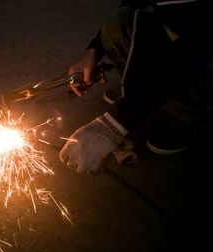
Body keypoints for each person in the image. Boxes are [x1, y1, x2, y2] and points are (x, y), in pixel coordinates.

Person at [59, 0, 212, 174]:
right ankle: (144, 92)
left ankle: (188, 118)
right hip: (182, 36)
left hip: (201, 50)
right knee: (118, 22)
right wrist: (93, 52)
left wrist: (116, 122)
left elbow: (194, 50)